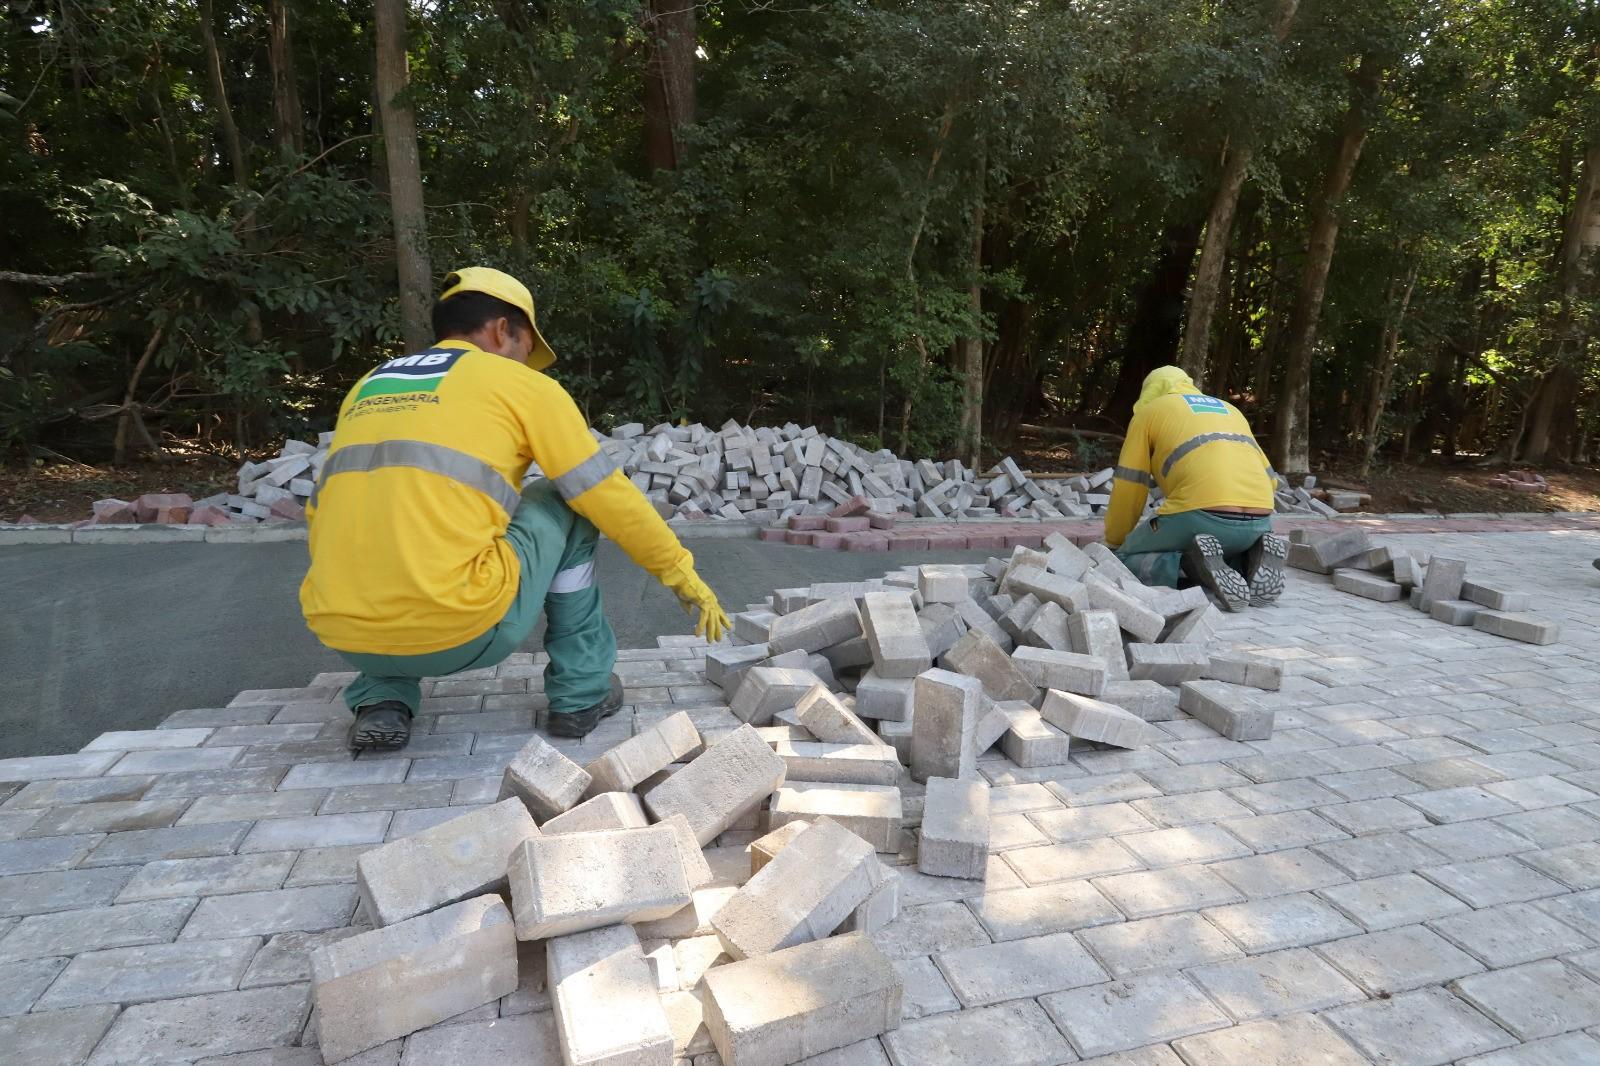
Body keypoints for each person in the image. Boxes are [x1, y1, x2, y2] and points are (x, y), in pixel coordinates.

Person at [300, 267, 729, 750]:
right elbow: (606, 495)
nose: (527, 366)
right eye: (527, 352)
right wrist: (681, 571)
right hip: (460, 631)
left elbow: (322, 514)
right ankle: (581, 695)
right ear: (503, 330)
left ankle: (382, 696)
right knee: (562, 496)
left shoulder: (369, 386)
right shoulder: (519, 386)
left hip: (340, 630)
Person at [1103, 365, 1287, 611]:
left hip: (1200, 515)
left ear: (1150, 392)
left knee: (1121, 560)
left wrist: (1115, 542)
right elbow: (1271, 480)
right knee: (1219, 544)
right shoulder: (1230, 410)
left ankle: (1193, 566)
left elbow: (1130, 485)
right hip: (1260, 519)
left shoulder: (1149, 413)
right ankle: (1245, 561)